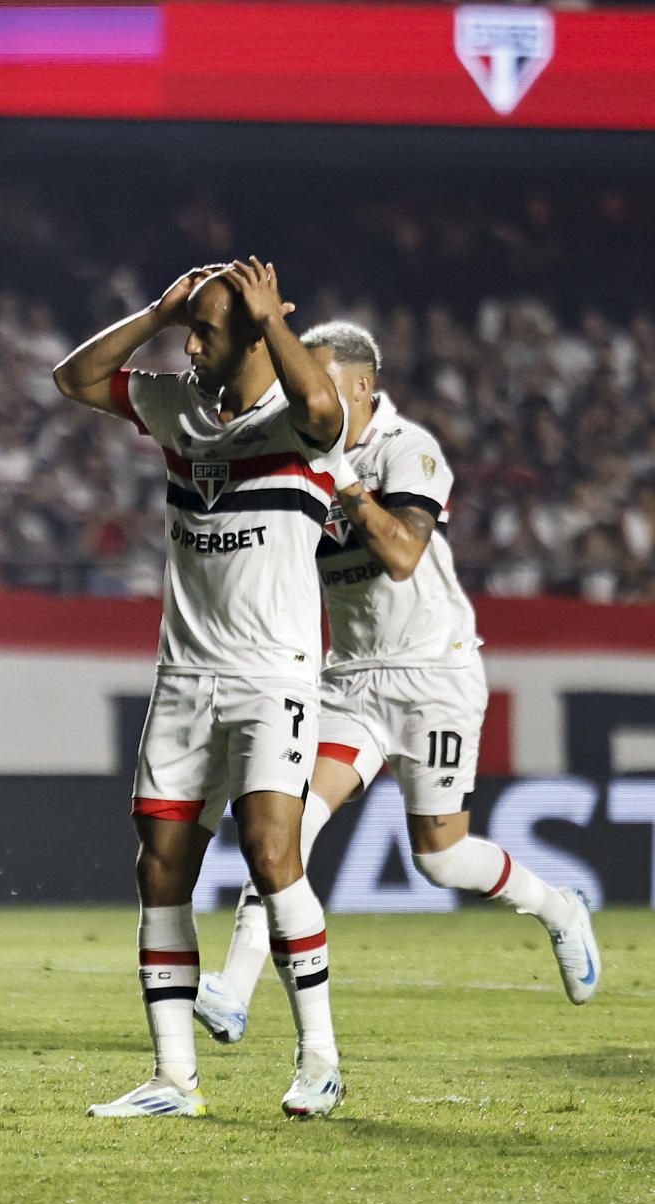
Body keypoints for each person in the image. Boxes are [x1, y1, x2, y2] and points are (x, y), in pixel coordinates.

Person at [192, 321, 601, 1041]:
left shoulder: (406, 448)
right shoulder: (299, 450)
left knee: (442, 858)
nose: (303, 392)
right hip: (349, 680)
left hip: (433, 673)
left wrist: (340, 474)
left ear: (359, 385)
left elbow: (403, 555)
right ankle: (234, 986)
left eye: (315, 379)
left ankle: (559, 907)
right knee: (284, 828)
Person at [53, 259, 349, 1117]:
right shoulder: (178, 404)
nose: (190, 347)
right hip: (185, 675)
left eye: (207, 332)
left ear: (255, 334)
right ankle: (173, 1078)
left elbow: (327, 415)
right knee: (161, 869)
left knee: (270, 851)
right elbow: (74, 378)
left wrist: (271, 322)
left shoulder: (295, 416)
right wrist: (156, 310)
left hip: (273, 676)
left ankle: (319, 1059)